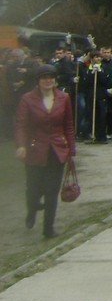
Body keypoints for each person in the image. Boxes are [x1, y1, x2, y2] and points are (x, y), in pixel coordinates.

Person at [15, 64, 76, 238]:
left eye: (51, 77)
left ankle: (48, 228)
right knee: (33, 188)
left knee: (51, 190)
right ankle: (32, 209)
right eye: (44, 78)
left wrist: (71, 148)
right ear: (38, 81)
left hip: (57, 150)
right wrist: (21, 145)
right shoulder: (27, 99)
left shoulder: (64, 98)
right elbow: (21, 125)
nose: (48, 81)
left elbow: (68, 125)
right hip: (35, 149)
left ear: (55, 80)